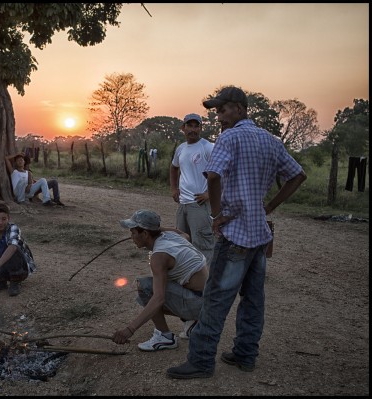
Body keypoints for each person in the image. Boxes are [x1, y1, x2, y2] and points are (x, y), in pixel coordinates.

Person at [166, 86, 307, 379]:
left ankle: (202, 361)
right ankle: (245, 354)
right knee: (253, 299)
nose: (218, 117)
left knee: (216, 297)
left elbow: (214, 176)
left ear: (240, 109)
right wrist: (269, 207)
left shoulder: (229, 137)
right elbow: (297, 175)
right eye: (216, 111)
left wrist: (216, 215)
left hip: (235, 235)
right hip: (259, 233)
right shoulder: (271, 140)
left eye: (222, 110)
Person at [111, 209, 208, 351]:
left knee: (145, 286)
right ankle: (193, 321)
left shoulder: (159, 256)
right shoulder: (171, 236)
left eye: (133, 232)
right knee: (163, 281)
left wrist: (129, 329)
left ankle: (165, 337)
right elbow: (185, 234)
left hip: (201, 305)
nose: (131, 236)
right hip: (209, 300)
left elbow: (159, 299)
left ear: (145, 234)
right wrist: (155, 228)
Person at [169, 113, 215, 265]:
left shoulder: (208, 147)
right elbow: (174, 168)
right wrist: (174, 189)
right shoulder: (181, 149)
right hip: (183, 205)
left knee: (203, 246)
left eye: (197, 126)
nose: (193, 129)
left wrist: (210, 194)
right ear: (183, 128)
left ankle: (205, 284)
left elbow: (224, 172)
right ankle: (189, 279)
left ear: (201, 128)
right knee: (182, 243)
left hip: (200, 205)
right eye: (190, 125)